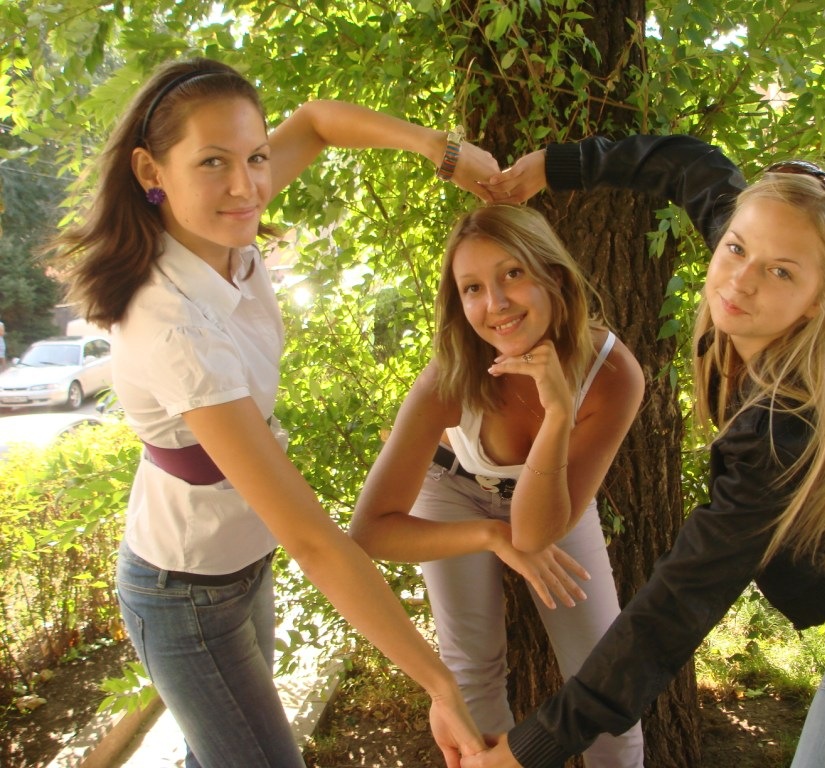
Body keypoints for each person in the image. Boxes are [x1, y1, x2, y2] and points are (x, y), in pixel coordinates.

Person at [459, 134, 825, 768]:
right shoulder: (759, 243)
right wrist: (552, 166)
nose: (740, 279)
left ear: (823, 297)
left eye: (780, 271)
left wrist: (531, 747)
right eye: (735, 247)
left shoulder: (788, 429)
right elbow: (685, 166)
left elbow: (674, 609)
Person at [51, 56, 501, 768]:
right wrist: (440, 683)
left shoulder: (220, 221)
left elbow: (318, 122)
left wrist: (440, 150)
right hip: (184, 591)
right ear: (150, 170)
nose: (247, 186)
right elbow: (315, 541)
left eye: (257, 156)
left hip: (240, 559)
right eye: (212, 162)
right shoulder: (174, 324)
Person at [348, 203, 646, 767]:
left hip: (554, 498)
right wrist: (489, 535)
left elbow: (535, 533)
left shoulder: (611, 372)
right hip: (453, 489)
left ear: (554, 275)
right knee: (471, 671)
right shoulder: (449, 375)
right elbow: (369, 532)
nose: (496, 304)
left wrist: (558, 414)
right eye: (473, 288)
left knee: (604, 677)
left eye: (513, 273)